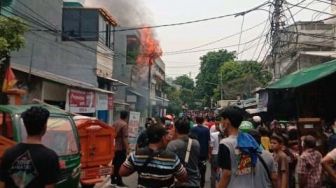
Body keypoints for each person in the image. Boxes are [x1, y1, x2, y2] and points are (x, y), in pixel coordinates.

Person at [0, 106, 60, 188]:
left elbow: (2, 184)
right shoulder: (50, 157)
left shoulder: (9, 153)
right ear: (44, 127)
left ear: (25, 126)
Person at [119, 125, 188, 187]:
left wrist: (138, 167)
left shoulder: (137, 155)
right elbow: (184, 178)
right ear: (163, 138)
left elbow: (122, 172)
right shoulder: (172, 158)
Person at [166, 118, 201, 188]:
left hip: (178, 183)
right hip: (194, 182)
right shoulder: (196, 143)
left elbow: (168, 165)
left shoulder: (172, 145)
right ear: (189, 130)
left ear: (176, 129)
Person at [190, 116, 210, 188]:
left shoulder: (193, 129)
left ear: (196, 120)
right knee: (203, 171)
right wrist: (208, 153)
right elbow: (208, 141)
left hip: (194, 153)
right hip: (203, 153)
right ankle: (202, 185)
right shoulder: (206, 130)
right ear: (203, 120)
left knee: (194, 169)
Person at [111, 111, 129, 187]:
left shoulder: (115, 123)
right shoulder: (124, 124)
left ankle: (112, 178)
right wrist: (127, 148)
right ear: (126, 117)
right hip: (121, 148)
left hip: (114, 147)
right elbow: (124, 138)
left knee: (114, 164)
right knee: (120, 165)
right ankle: (119, 181)